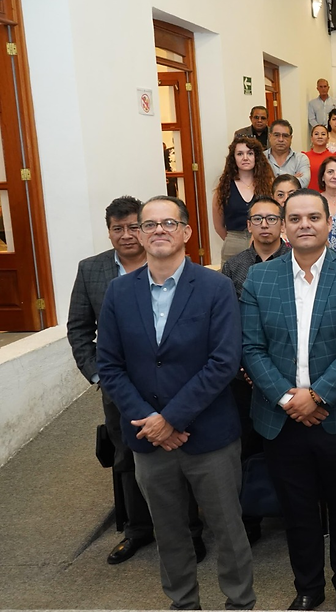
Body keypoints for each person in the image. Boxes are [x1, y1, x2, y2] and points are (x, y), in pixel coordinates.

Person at [98, 195, 255, 611]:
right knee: (168, 532)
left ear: (186, 232)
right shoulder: (118, 292)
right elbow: (109, 366)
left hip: (209, 436)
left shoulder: (216, 287)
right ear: (139, 234)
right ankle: (183, 602)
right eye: (149, 224)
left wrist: (171, 418)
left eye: (168, 223)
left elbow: (224, 361)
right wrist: (151, 420)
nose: (158, 231)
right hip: (148, 438)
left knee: (227, 528)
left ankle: (240, 602)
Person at [241, 189, 336, 612]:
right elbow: (251, 348)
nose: (305, 224)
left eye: (314, 217)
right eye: (296, 218)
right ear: (284, 227)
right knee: (297, 508)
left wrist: (317, 395)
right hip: (281, 416)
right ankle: (308, 587)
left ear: (328, 224)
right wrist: (289, 399)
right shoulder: (259, 278)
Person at [68, 196, 207, 565]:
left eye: (133, 226)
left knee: (180, 453)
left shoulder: (167, 262)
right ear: (109, 232)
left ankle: (190, 532)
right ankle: (137, 530)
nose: (127, 235)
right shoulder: (92, 271)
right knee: (128, 457)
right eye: (119, 229)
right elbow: (79, 329)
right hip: (120, 389)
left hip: (173, 387)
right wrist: (99, 374)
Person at [220, 195, 291, 544]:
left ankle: (292, 512)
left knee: (288, 448)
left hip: (286, 376)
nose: (265, 225)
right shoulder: (233, 267)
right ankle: (250, 516)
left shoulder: (294, 261)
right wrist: (246, 367)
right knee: (246, 448)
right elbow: (226, 323)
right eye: (258, 219)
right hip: (242, 377)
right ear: (248, 225)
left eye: (272, 218)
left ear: (282, 224)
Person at [213, 136, 275, 264]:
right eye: (240, 154)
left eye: (250, 153)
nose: (245, 158)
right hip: (233, 244)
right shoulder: (224, 187)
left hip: (264, 243)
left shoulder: (269, 185)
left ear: (256, 157)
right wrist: (233, 240)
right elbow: (218, 225)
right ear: (233, 158)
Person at [265, 119, 312, 187]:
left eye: (285, 136)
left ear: (291, 138)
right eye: (277, 135)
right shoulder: (260, 157)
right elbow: (258, 184)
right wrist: (292, 179)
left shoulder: (301, 159)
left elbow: (303, 182)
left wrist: (272, 181)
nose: (281, 139)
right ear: (270, 137)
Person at [304, 124, 336, 193]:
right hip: (307, 195)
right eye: (316, 134)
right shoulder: (303, 157)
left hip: (328, 195)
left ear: (328, 139)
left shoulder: (334, 158)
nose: (320, 137)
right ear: (311, 138)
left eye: (323, 134)